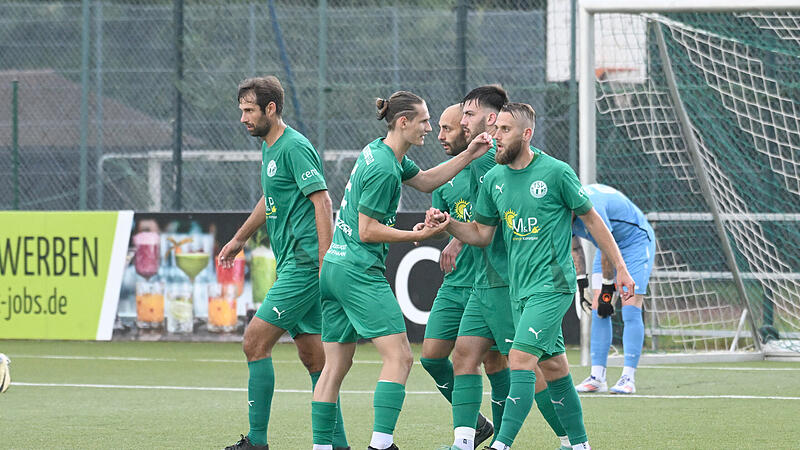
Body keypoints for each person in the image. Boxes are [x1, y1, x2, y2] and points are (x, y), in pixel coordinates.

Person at [429, 102, 635, 450]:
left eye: (505, 130)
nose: (496, 136)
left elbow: (592, 220)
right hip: (518, 290)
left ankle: (501, 444)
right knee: (554, 367)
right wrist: (449, 225)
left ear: (526, 134)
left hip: (552, 286)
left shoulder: (556, 173)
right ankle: (578, 444)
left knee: (521, 361)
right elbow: (481, 233)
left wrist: (621, 268)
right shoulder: (494, 179)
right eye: (496, 129)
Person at [310, 91, 491, 450]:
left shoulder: (381, 151)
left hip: (334, 269)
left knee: (334, 368)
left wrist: (470, 153)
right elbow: (367, 230)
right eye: (424, 121)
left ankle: (321, 447)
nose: (430, 129)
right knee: (401, 357)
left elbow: (426, 181)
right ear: (403, 122)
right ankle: (381, 444)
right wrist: (417, 235)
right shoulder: (384, 169)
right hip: (358, 271)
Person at [436, 87, 572, 450]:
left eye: (468, 114)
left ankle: (567, 439)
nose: (462, 120)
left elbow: (506, 223)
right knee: (465, 355)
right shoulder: (480, 158)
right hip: (482, 282)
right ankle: (465, 440)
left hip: (511, 282)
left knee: (532, 367)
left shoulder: (498, 161)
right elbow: (480, 224)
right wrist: (452, 229)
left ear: (493, 119)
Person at [218, 76, 349, 450]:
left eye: (249, 110)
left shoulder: (294, 147)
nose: (243, 118)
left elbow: (323, 201)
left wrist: (325, 262)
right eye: (241, 110)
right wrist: (240, 238)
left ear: (270, 109)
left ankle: (257, 441)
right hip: (294, 263)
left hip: (305, 267)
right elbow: (271, 197)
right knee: (314, 359)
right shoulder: (270, 147)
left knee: (254, 342)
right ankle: (339, 445)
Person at [418, 103, 501, 449]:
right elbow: (445, 221)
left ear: (468, 131)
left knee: (494, 362)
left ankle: (500, 438)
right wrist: (432, 227)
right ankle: (478, 427)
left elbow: (494, 220)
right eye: (438, 127)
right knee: (431, 356)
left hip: (488, 280)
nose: (440, 135)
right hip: (455, 283)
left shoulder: (489, 164)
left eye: (448, 128)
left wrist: (457, 238)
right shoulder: (445, 175)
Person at [572, 183, 655, 394]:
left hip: (634, 243)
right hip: (607, 248)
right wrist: (581, 284)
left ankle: (628, 378)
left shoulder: (591, 207)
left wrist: (608, 288)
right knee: (598, 308)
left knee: (630, 305)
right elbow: (574, 246)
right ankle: (597, 377)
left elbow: (605, 246)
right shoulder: (560, 211)